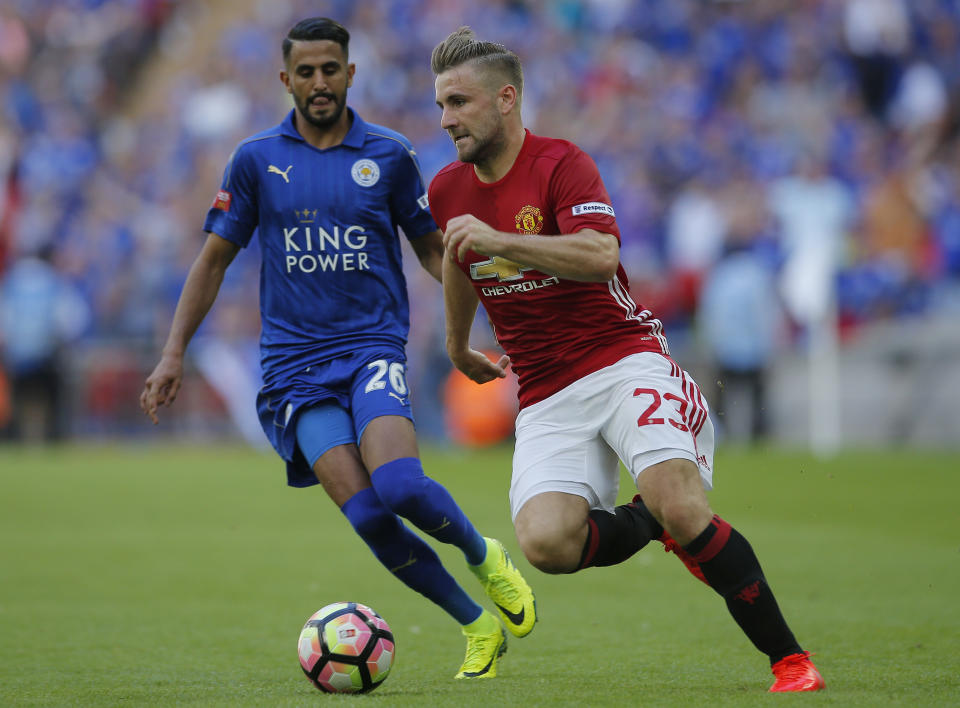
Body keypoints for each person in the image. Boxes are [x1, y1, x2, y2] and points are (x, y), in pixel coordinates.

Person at [428, 27, 824, 692]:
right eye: (440, 104)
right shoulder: (445, 190)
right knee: (546, 545)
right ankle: (646, 521)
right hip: (547, 393)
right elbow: (458, 261)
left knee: (684, 505)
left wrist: (504, 240)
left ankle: (791, 661)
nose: (446, 120)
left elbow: (599, 255)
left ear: (505, 99)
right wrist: (454, 344)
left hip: (621, 360)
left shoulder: (561, 164)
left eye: (459, 102)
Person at [138, 17, 536, 680]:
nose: (319, 82)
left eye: (331, 69)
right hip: (294, 371)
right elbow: (212, 261)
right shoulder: (255, 159)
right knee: (368, 515)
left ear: (350, 74)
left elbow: (434, 253)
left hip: (372, 347)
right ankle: (475, 625)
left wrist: (493, 309)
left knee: (402, 485)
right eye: (306, 71)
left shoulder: (388, 155)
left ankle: (483, 553)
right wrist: (174, 351)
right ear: (286, 78)